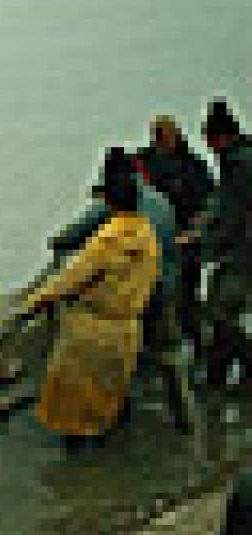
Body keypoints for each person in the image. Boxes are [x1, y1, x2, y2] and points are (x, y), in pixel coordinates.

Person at [19, 147, 160, 446]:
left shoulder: (108, 238)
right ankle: (104, 456)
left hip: (92, 329)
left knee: (73, 404)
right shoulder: (147, 233)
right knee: (108, 397)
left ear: (108, 199)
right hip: (127, 327)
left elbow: (71, 279)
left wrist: (34, 302)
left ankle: (75, 472)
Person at [46, 149, 194, 432]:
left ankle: (112, 417)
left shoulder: (114, 204)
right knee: (168, 355)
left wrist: (59, 244)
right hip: (165, 288)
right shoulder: (161, 200)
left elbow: (69, 236)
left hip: (132, 295)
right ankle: (184, 417)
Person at [138, 115, 215, 349]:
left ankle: (193, 344)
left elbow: (209, 203)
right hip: (157, 241)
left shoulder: (194, 166)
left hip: (186, 241)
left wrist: (195, 230)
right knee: (160, 298)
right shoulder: (143, 161)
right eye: (157, 135)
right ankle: (164, 345)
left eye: (164, 134)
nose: (160, 140)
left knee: (186, 297)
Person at [197, 99, 252, 394]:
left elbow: (232, 214)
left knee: (222, 312)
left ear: (221, 137)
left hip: (242, 254)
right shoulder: (239, 157)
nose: (206, 145)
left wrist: (203, 243)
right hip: (239, 250)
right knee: (224, 312)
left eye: (208, 138)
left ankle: (228, 372)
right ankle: (217, 374)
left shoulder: (239, 164)